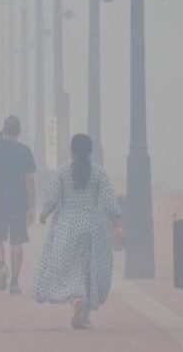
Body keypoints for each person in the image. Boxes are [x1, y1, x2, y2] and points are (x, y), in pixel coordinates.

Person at [34, 134, 123, 329]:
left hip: (67, 225)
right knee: (88, 269)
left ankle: (76, 302)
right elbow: (109, 200)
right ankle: (85, 314)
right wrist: (117, 223)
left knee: (69, 269)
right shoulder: (99, 173)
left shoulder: (63, 172)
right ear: (90, 151)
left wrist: (44, 213)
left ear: (71, 151)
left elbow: (52, 198)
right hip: (92, 226)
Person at [0, 115, 36, 295]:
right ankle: (14, 282)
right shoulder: (25, 151)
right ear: (18, 132)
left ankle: (2, 265)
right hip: (19, 203)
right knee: (17, 241)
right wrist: (31, 206)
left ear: (4, 130)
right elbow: (29, 180)